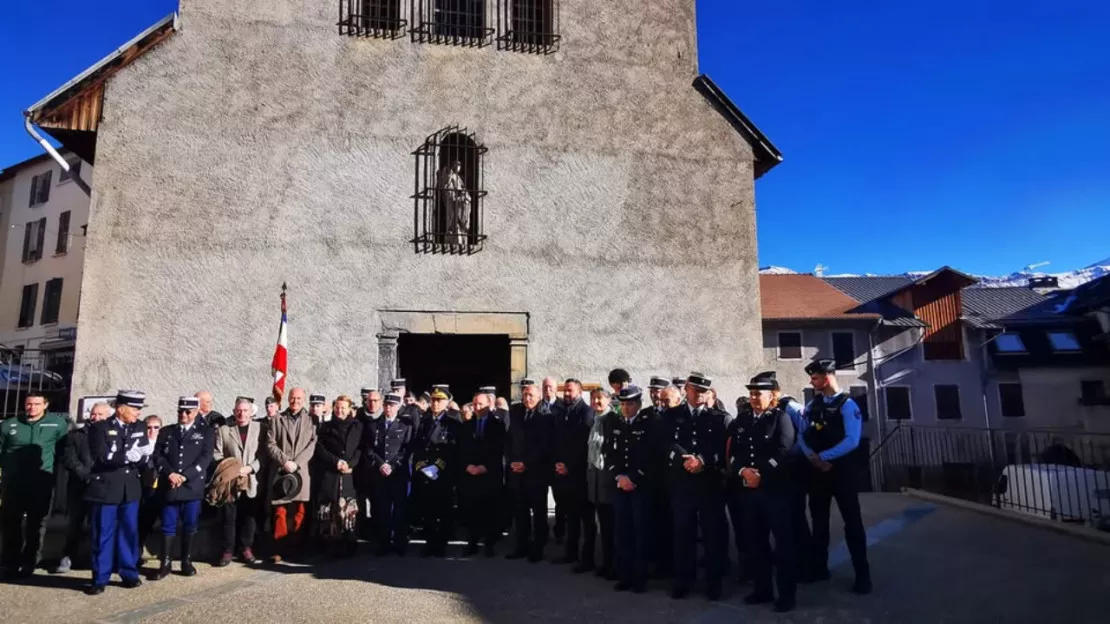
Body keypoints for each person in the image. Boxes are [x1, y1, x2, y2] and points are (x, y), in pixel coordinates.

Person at [798, 359, 871, 594]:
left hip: (842, 473)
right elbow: (801, 434)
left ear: (827, 377)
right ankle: (819, 568)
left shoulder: (848, 405)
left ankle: (863, 575)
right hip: (818, 473)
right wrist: (812, 457)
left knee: (853, 525)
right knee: (819, 523)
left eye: (815, 377)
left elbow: (852, 439)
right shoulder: (812, 405)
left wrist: (825, 457)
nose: (812, 381)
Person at [729, 373, 798, 612]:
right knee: (756, 543)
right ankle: (762, 589)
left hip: (775, 491)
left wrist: (761, 474)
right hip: (749, 491)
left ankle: (787, 595)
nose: (754, 398)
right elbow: (734, 452)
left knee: (783, 544)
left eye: (758, 394)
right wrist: (743, 471)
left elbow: (783, 449)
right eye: (751, 393)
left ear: (772, 396)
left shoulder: (782, 418)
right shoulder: (743, 419)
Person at [661, 372, 728, 601]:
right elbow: (666, 443)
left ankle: (714, 584)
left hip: (709, 484)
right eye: (695, 390)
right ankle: (683, 581)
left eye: (704, 392)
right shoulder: (671, 416)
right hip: (682, 484)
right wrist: (685, 460)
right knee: (682, 535)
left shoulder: (717, 418)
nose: (699, 395)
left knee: (713, 536)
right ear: (686, 390)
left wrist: (702, 460)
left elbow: (721, 447)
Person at [83, 390, 151, 595]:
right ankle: (100, 577)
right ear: (121, 409)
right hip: (106, 488)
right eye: (135, 408)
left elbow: (143, 452)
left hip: (129, 488)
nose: (138, 413)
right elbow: (102, 457)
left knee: (129, 532)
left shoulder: (139, 426)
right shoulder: (100, 428)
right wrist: (127, 456)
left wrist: (142, 457)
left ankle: (128, 573)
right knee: (103, 534)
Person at [0, 393, 68, 578]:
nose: (32, 408)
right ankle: (9, 563)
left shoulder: (57, 424)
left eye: (37, 404)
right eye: (29, 404)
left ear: (45, 405)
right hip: (13, 484)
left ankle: (30, 562)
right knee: (10, 524)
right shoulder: (9, 424)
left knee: (36, 525)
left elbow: (63, 451)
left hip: (41, 483)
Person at [152, 397, 214, 579]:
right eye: (180, 411)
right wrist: (169, 473)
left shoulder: (205, 432)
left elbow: (205, 458)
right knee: (167, 526)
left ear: (195, 412)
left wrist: (186, 475)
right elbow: (157, 455)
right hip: (170, 485)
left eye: (187, 412)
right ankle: (165, 563)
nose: (183, 415)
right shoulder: (167, 432)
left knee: (190, 525)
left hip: (191, 486)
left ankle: (186, 561)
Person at [609, 385, 661, 594]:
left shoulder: (648, 425)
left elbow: (651, 458)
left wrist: (633, 478)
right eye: (622, 404)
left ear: (638, 404)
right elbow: (610, 454)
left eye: (630, 404)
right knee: (622, 532)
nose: (626, 408)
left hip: (640, 486)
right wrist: (619, 477)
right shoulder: (616, 424)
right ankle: (625, 575)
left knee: (640, 533)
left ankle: (640, 578)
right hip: (621, 486)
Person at [55, 401, 113, 573]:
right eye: (93, 413)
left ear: (108, 416)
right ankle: (68, 556)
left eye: (100, 414)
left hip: (102, 486)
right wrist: (85, 475)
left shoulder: (111, 434)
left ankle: (96, 560)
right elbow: (70, 459)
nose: (95, 417)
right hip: (80, 486)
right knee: (75, 523)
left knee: (100, 526)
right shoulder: (76, 435)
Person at [505, 379, 554, 563]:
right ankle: (521, 546)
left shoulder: (545, 415)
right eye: (525, 395)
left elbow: (545, 446)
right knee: (520, 512)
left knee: (539, 512)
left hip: (536, 473)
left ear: (539, 397)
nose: (527, 398)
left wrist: (526, 463)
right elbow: (508, 439)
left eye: (531, 395)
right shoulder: (516, 412)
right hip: (516, 472)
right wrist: (511, 461)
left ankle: (538, 547)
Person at [266, 387, 317, 564]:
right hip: (282, 471)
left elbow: (312, 444)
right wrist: (285, 461)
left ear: (304, 400)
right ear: (288, 399)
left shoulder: (311, 420)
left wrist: (298, 462)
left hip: (301, 471)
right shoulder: (277, 419)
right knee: (280, 512)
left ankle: (296, 549)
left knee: (299, 512)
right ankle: (279, 549)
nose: (295, 401)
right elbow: (271, 444)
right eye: (293, 398)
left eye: (299, 398)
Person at [411, 387, 462, 557]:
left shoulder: (453, 422)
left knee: (444, 511)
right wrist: (422, 465)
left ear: (447, 402)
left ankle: (441, 544)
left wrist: (438, 466)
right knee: (428, 511)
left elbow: (452, 448)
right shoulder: (423, 421)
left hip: (444, 474)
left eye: (439, 400)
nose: (435, 403)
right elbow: (418, 445)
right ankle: (430, 543)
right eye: (433, 400)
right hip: (426, 472)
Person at [213, 397, 264, 566]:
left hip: (251, 479)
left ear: (251, 413)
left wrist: (251, 467)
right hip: (230, 482)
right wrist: (232, 468)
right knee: (229, 517)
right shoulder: (224, 430)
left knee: (249, 517)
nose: (242, 413)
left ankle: (246, 548)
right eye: (239, 410)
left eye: (245, 411)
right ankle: (227, 550)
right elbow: (217, 454)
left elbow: (264, 454)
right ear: (234, 412)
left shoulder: (260, 429)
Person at [551, 378, 596, 570]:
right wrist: (559, 463)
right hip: (564, 474)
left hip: (580, 475)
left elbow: (582, 444)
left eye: (571, 391)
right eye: (565, 392)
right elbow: (558, 441)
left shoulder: (586, 412)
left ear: (579, 392)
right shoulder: (562, 412)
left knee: (586, 519)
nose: (567, 394)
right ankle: (571, 554)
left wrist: (568, 464)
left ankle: (587, 559)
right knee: (571, 516)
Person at [458, 390, 506, 557]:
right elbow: (461, 449)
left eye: (481, 404)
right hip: (471, 474)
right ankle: (472, 543)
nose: (477, 408)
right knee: (472, 510)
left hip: (489, 474)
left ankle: (489, 544)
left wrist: (485, 467)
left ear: (489, 405)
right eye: (475, 404)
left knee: (489, 510)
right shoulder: (467, 426)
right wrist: (467, 466)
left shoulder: (498, 425)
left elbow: (499, 450)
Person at [313, 395, 362, 555]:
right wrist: (336, 462)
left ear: (349, 409)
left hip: (349, 473)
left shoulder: (357, 426)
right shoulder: (325, 427)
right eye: (337, 407)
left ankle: (349, 542)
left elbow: (360, 449)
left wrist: (351, 464)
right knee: (329, 508)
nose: (340, 410)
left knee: (347, 509)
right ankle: (330, 543)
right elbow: (320, 448)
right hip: (331, 472)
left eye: (343, 408)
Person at [366, 392, 414, 556]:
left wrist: (392, 465)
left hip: (397, 473)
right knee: (382, 509)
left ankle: (400, 543)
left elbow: (406, 450)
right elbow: (370, 449)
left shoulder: (405, 425)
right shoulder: (374, 425)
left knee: (400, 510)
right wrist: (381, 464)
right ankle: (384, 542)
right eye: (386, 405)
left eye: (392, 405)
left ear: (398, 407)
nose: (388, 408)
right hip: (380, 473)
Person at [586, 388, 618, 581]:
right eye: (594, 398)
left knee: (611, 527)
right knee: (604, 526)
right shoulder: (594, 420)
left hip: (607, 480)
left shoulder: (611, 420)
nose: (596, 401)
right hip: (595, 480)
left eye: (600, 398)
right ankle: (606, 563)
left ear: (608, 400)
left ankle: (613, 565)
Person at [136, 414, 163, 564]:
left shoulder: (163, 443)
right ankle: (137, 553)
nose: (152, 430)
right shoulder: (139, 444)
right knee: (140, 522)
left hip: (160, 487)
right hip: (143, 487)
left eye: (156, 427)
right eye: (149, 427)